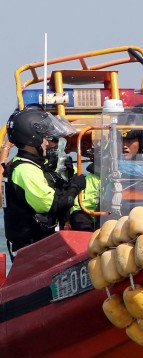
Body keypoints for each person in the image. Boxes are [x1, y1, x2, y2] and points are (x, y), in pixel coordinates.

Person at [2, 108, 86, 255]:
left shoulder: (33, 165)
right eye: (45, 137)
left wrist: (65, 175)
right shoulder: (25, 170)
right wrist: (75, 186)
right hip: (32, 252)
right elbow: (55, 204)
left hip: (42, 247)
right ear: (32, 137)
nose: (47, 142)